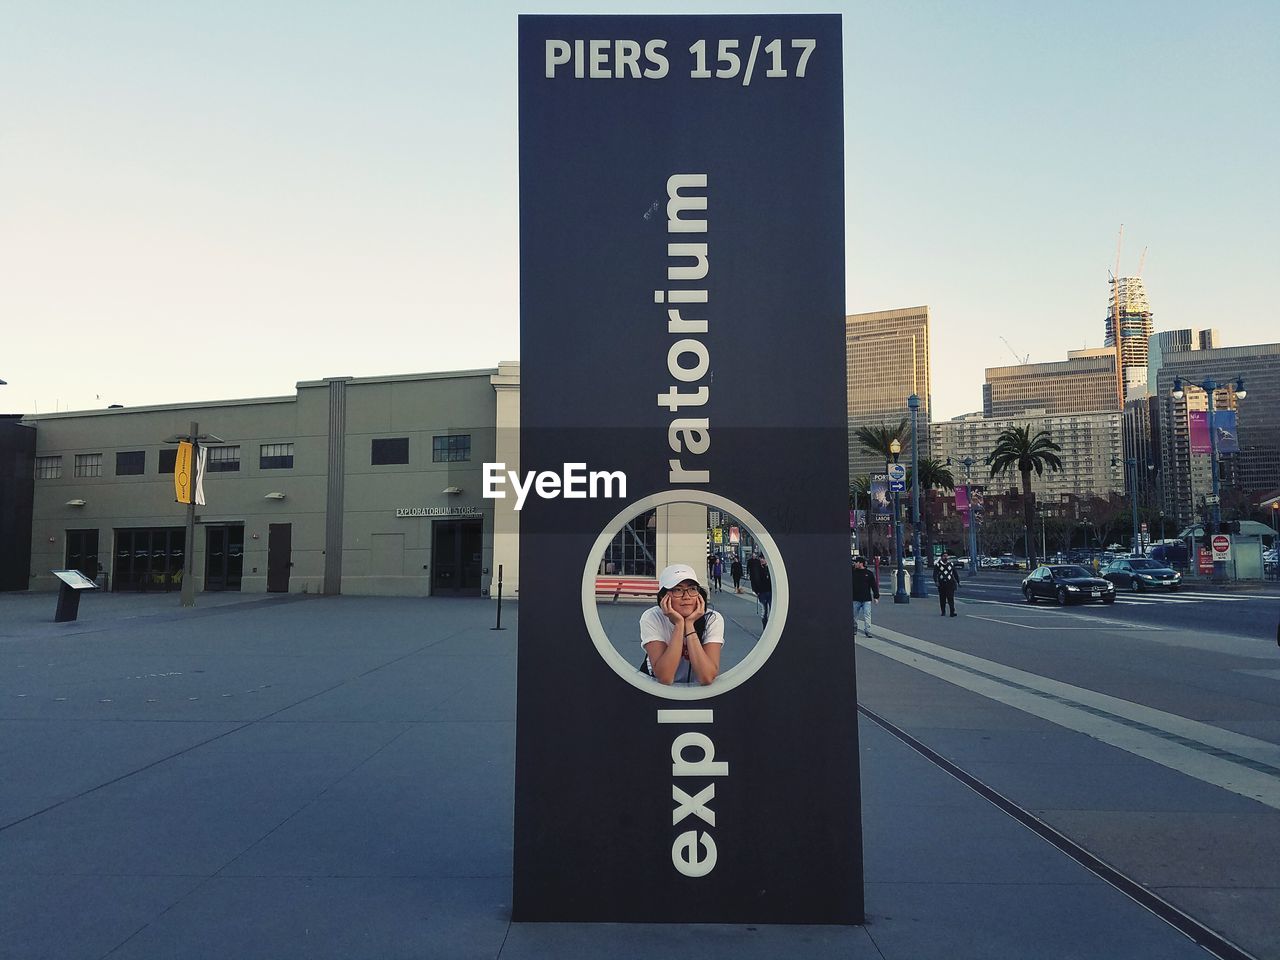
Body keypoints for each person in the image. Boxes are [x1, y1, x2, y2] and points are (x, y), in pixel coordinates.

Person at [640, 563, 724, 685]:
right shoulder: (652, 617)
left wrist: (689, 624)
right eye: (678, 590)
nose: (686, 596)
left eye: (692, 589)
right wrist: (679, 625)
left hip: (697, 692)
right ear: (663, 597)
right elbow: (665, 677)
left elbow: (706, 677)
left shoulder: (712, 619)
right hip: (655, 690)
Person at [851, 555, 879, 638]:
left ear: (861, 563)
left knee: (867, 615)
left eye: (856, 562)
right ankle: (854, 628)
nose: (855, 564)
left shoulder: (869, 574)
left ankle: (868, 630)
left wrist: (876, 596)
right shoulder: (853, 572)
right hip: (855, 598)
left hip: (866, 598)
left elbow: (874, 586)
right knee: (854, 615)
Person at [748, 552, 773, 628]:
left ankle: (771, 627)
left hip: (770, 592)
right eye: (761, 558)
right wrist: (756, 590)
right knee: (764, 611)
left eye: (763, 558)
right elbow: (754, 579)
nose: (762, 560)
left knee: (772, 610)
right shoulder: (757, 568)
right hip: (762, 593)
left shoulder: (770, 568)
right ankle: (765, 627)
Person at [934, 549, 961, 617]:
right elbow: (935, 574)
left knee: (950, 598)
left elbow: (955, 573)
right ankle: (943, 611)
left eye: (946, 556)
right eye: (944, 556)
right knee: (942, 598)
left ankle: (952, 612)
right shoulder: (938, 565)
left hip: (950, 583)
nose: (945, 557)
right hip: (942, 583)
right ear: (941, 557)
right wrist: (936, 581)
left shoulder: (951, 564)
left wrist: (958, 582)